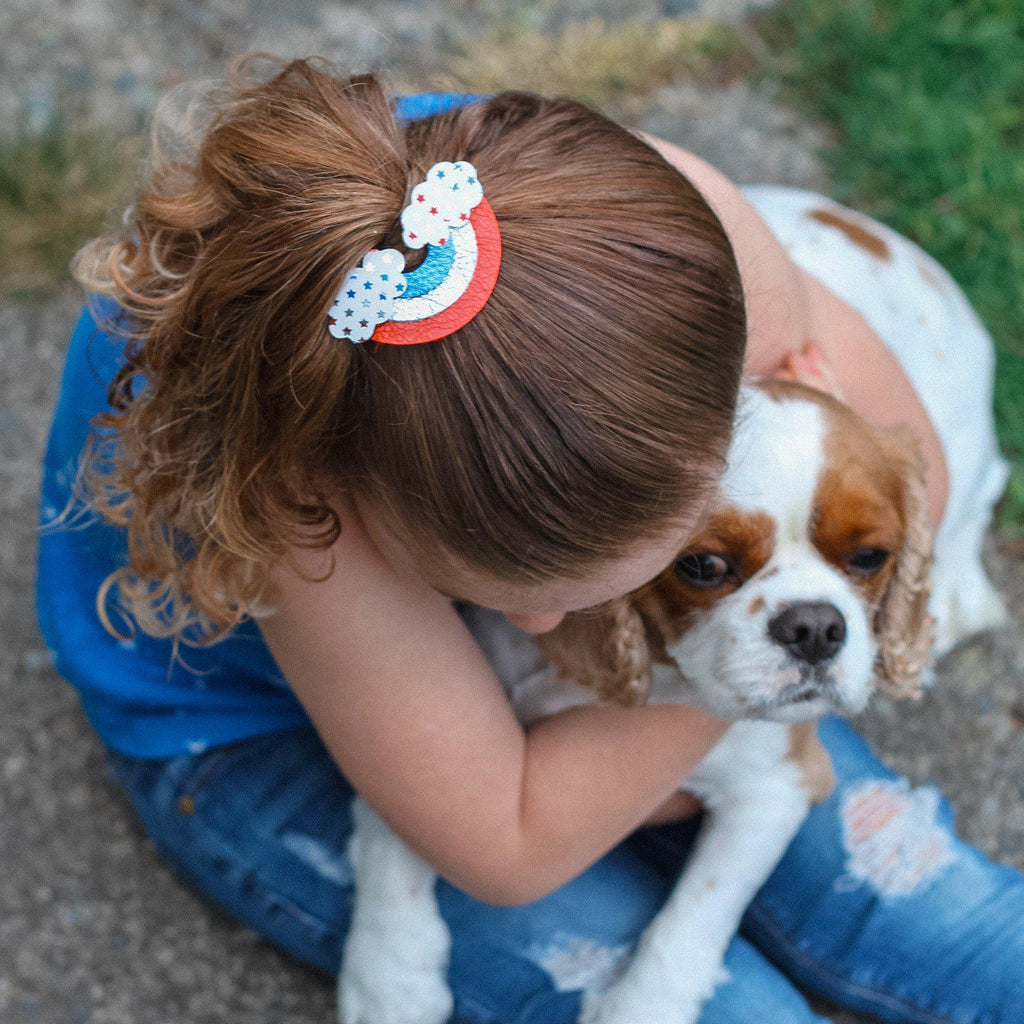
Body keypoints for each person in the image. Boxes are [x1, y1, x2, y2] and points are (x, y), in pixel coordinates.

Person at [36, 55, 1022, 1024]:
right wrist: (733, 691)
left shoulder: (684, 241)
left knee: (955, 924)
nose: (550, 627)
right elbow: (507, 839)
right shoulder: (299, 505)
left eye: (672, 558)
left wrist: (743, 640)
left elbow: (913, 464)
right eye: (500, 594)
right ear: (380, 521)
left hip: (677, 661)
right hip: (261, 725)